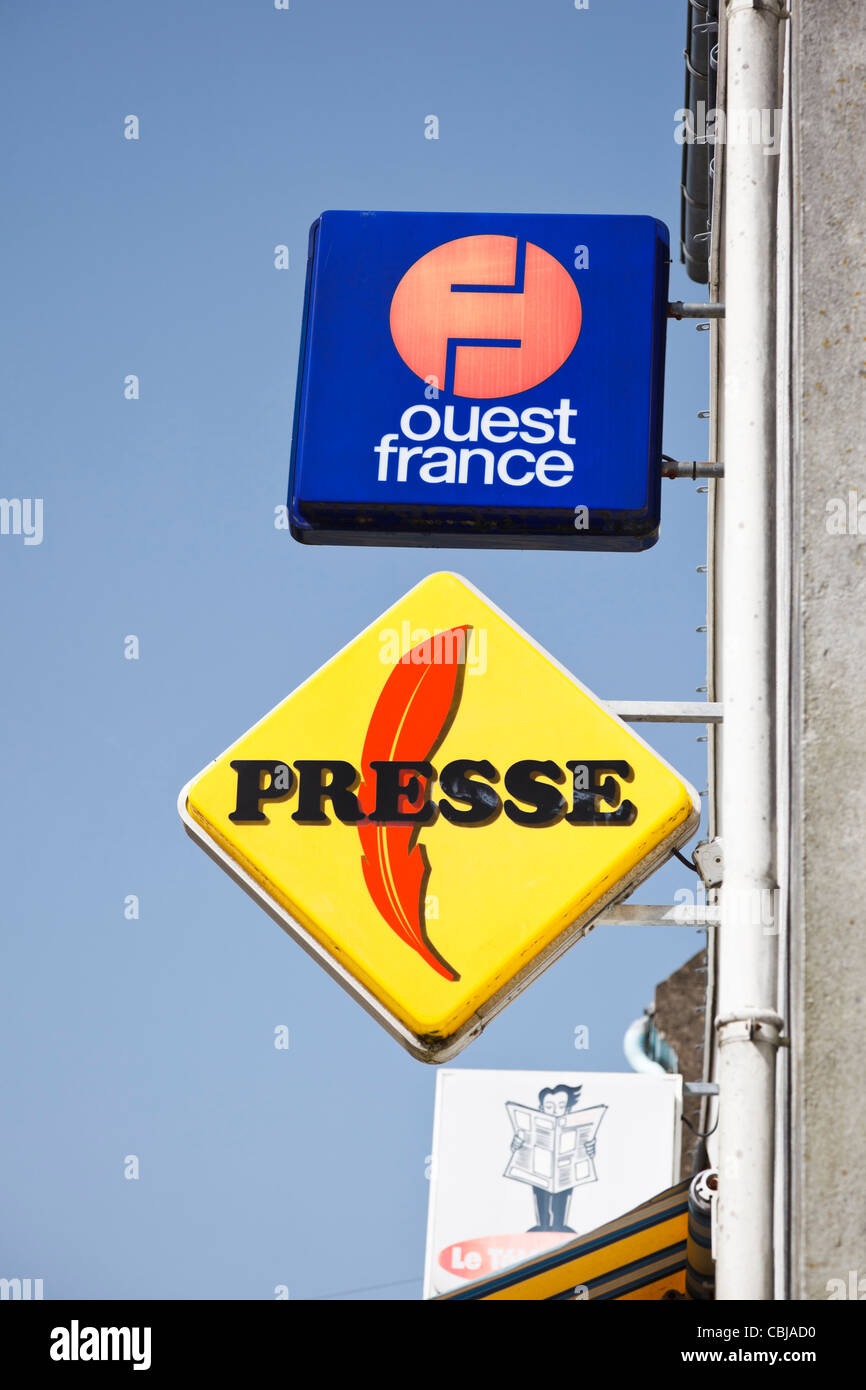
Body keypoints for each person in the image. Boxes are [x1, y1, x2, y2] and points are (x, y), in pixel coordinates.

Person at [510, 1084, 596, 1234]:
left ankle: (559, 1224)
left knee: (563, 1193)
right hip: (539, 1167)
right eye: (549, 1106)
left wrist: (590, 1149)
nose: (555, 1110)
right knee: (540, 1193)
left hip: (565, 1169)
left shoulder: (574, 1128)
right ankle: (542, 1224)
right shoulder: (531, 1128)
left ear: (567, 1109)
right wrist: (516, 1145)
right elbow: (519, 1150)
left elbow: (585, 1150)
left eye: (561, 1106)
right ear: (541, 1108)